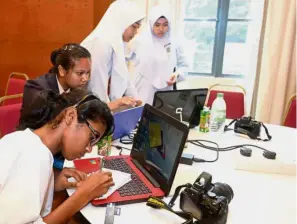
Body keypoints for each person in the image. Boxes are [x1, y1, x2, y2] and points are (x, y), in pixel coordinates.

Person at [0, 88, 114, 223]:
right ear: (70, 116)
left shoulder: (22, 140)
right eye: (92, 137)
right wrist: (83, 195)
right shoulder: (35, 156)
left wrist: (51, 184)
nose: (89, 149)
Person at [20, 43, 92, 170]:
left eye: (88, 73)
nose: (85, 78)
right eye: (80, 73)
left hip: (56, 153)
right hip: (30, 155)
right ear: (62, 71)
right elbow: (50, 127)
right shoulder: (35, 89)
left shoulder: (75, 89)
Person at [81, 0, 145, 112]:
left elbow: (125, 77)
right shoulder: (101, 43)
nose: (135, 33)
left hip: (98, 107)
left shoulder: (116, 43)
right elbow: (96, 87)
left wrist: (137, 102)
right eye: (134, 27)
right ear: (121, 21)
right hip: (87, 108)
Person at [130, 5, 189, 105]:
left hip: (166, 90)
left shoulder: (174, 42)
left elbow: (184, 66)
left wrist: (177, 75)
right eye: (157, 25)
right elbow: (123, 61)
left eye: (165, 25)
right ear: (151, 24)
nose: (161, 29)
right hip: (144, 90)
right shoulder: (139, 41)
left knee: (163, 117)